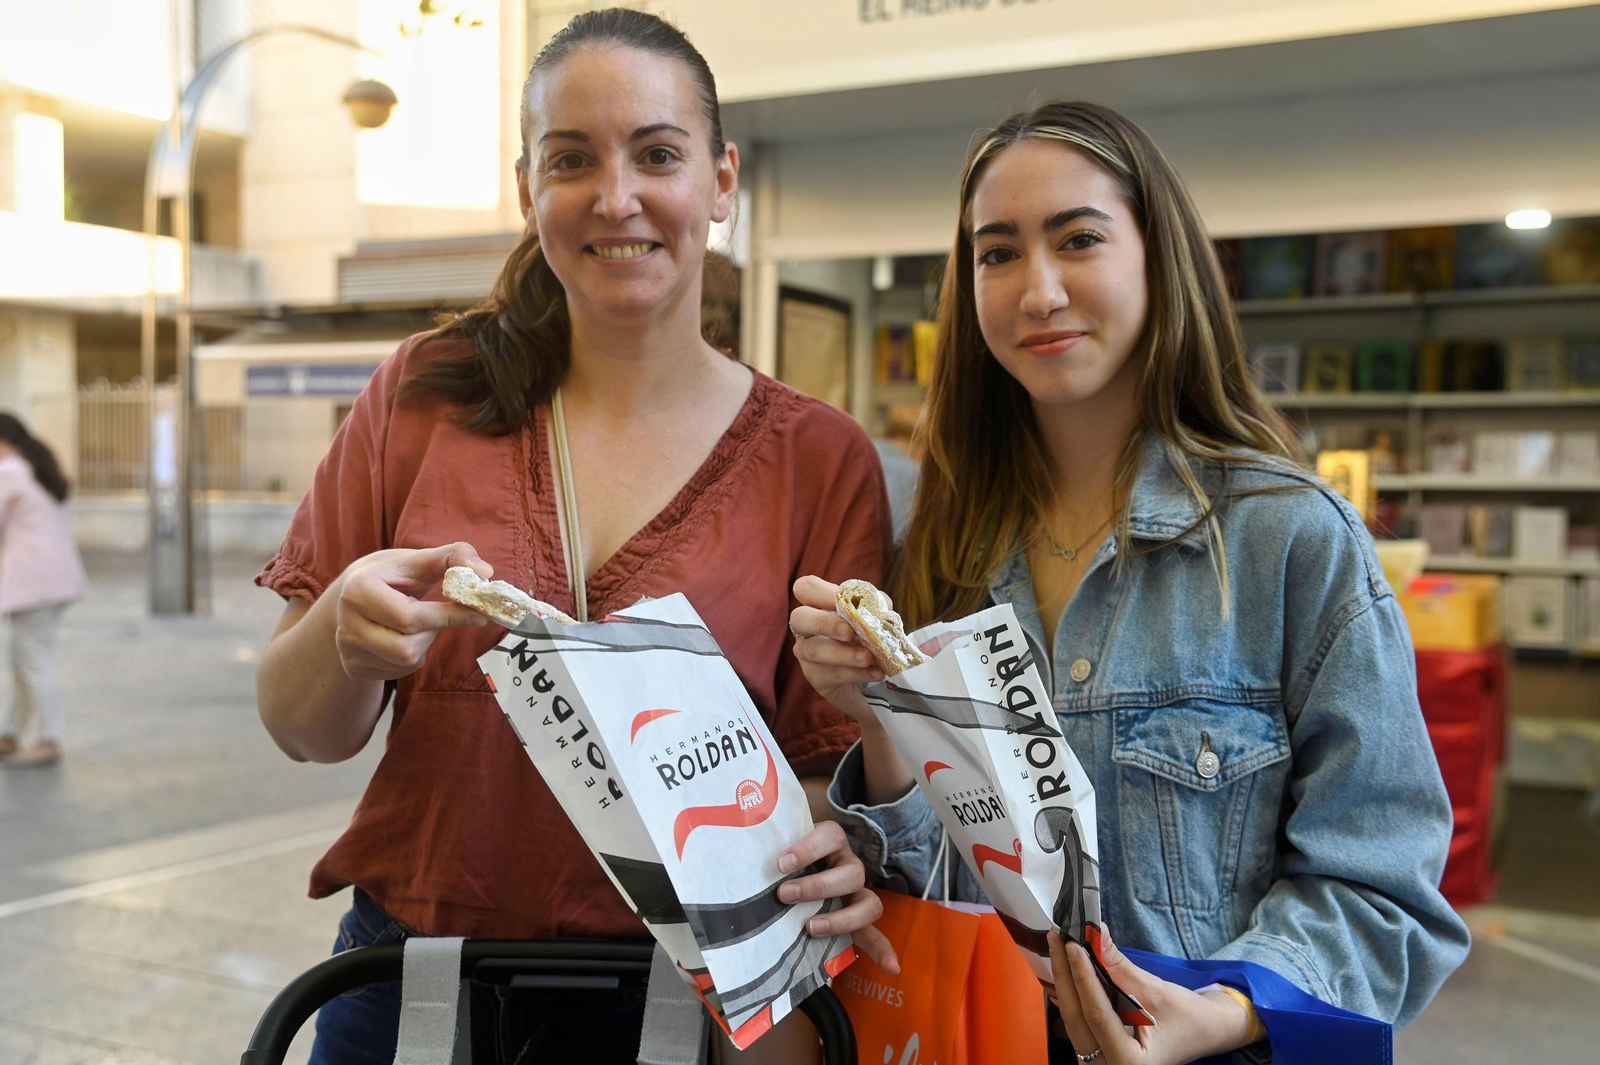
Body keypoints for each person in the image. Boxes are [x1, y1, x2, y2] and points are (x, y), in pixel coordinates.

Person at [254, 10, 896, 1063]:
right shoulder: (420, 398)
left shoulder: (817, 460)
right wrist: (341, 633)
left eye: (657, 154)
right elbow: (300, 728)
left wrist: (827, 846)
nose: (616, 196)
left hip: (682, 1011)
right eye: (571, 159)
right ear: (525, 190)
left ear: (722, 181)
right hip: (409, 994)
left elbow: (817, 770)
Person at [789, 101, 1470, 1064]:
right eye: (999, 253)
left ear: (1158, 258)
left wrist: (1229, 1006)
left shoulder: (1288, 541)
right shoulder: (945, 546)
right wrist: (876, 719)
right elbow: (924, 889)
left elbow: (1389, 892)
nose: (1040, 291)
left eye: (1079, 240)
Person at [0, 413, 86, 769]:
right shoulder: (37, 469)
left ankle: (49, 738)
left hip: (32, 583)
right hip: (53, 581)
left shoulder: (10, 472)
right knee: (25, 660)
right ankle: (12, 733)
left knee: (32, 661)